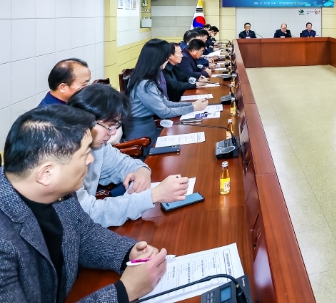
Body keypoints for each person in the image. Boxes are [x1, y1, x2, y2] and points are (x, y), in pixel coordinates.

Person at [0, 106, 168, 302]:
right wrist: (124, 292)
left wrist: (127, 253)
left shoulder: (59, 192)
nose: (91, 159)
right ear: (46, 173)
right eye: (84, 154)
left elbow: (84, 234)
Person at [67, 85, 190, 227]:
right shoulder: (62, 159)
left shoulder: (98, 146)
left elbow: (124, 163)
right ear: (86, 120)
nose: (113, 133)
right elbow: (88, 214)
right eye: (109, 126)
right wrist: (153, 195)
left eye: (116, 126)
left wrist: (142, 170)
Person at [123, 39, 207, 143]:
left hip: (149, 126)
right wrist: (193, 108)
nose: (167, 60)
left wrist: (192, 104)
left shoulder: (150, 76)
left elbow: (166, 103)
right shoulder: (145, 84)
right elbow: (164, 112)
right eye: (166, 57)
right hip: (142, 136)